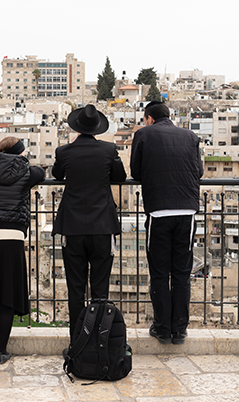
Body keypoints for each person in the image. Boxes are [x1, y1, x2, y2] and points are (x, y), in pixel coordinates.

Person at [130, 101, 203, 345]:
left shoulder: (143, 135)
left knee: (160, 273)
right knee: (182, 273)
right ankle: (179, 330)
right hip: (187, 211)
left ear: (149, 118)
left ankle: (162, 328)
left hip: (159, 211)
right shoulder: (190, 135)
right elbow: (199, 171)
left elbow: (136, 171)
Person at [52, 104, 126, 338]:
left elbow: (56, 175)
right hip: (102, 227)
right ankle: (98, 340)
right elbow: (120, 177)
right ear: (97, 129)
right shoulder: (108, 150)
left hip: (72, 227)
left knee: (75, 289)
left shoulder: (64, 152)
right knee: (100, 289)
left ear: (76, 128)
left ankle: (77, 341)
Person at [0, 137, 46, 364]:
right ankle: (2, 350)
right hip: (11, 237)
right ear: (20, 153)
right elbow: (41, 172)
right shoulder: (27, 172)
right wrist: (23, 161)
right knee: (7, 296)